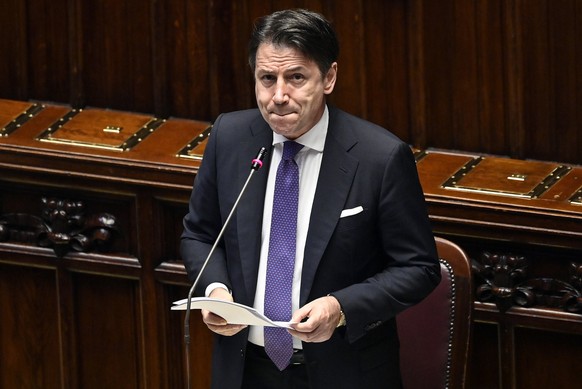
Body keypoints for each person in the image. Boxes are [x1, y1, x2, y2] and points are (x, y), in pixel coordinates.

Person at [181, 8, 441, 389]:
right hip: (245, 370)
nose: (279, 96)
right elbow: (200, 235)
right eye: (267, 79)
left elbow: (419, 267)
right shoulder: (230, 137)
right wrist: (216, 291)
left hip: (343, 371)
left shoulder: (379, 158)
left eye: (296, 78)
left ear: (329, 78)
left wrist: (340, 308)